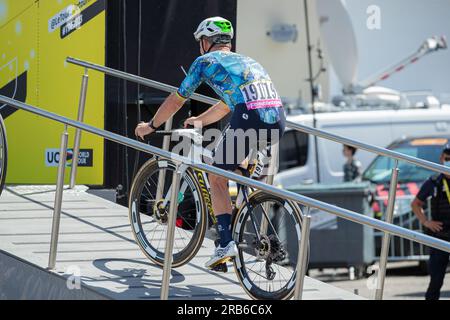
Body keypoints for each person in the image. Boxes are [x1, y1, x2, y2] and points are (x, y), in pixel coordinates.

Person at [135, 17, 286, 269]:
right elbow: (228, 103)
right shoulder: (247, 61)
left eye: (200, 42)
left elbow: (177, 99)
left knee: (216, 176)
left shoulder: (205, 62)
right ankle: (240, 197)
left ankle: (225, 242)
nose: (199, 47)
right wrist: (201, 121)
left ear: (206, 41)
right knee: (231, 163)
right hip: (277, 121)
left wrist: (151, 125)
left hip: (249, 118)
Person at [411, 144, 450, 300]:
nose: (449, 161)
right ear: (441, 159)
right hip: (439, 236)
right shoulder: (434, 181)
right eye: (447, 158)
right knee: (436, 280)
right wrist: (426, 222)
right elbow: (415, 204)